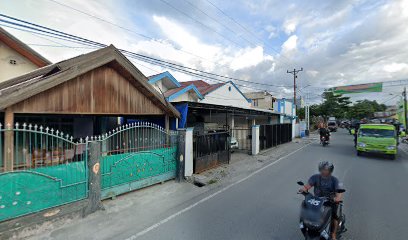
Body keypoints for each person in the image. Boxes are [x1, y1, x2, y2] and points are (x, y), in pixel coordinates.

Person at [299, 162, 343, 240]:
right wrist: (303, 190)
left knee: (334, 216)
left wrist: (336, 198)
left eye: (326, 170)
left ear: (330, 171)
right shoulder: (315, 177)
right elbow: (307, 186)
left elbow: (339, 194)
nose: (324, 171)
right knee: (306, 208)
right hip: (317, 201)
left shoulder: (334, 180)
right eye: (322, 169)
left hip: (330, 201)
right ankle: (307, 227)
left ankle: (333, 234)